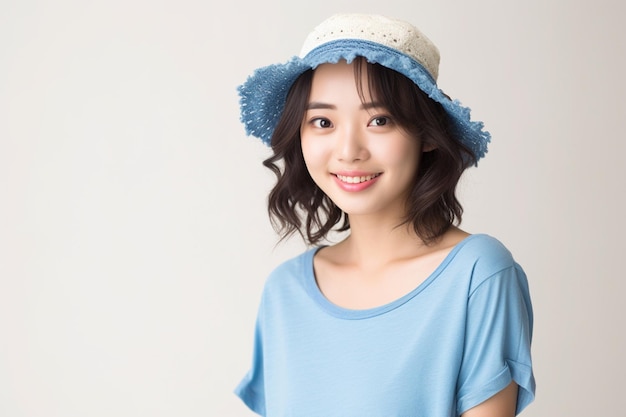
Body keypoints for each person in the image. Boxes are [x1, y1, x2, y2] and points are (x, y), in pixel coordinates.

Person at [234, 13, 535, 417]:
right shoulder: (284, 292)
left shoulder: (477, 274)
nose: (348, 150)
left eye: (379, 120)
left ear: (427, 134)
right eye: (323, 122)